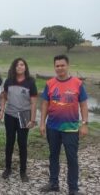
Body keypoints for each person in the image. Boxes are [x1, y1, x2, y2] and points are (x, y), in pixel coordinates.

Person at [39, 55, 89, 195]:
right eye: (57, 66)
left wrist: (84, 124)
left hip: (71, 127)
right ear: (54, 67)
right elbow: (44, 104)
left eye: (62, 65)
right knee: (53, 155)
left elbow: (84, 105)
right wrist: (42, 123)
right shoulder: (49, 83)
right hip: (52, 127)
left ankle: (73, 188)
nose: (60, 68)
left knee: (72, 158)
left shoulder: (77, 83)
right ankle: (53, 183)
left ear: (68, 66)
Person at [1, 58, 37, 182]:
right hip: (10, 115)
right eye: (17, 65)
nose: (19, 67)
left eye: (22, 65)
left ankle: (23, 171)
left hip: (24, 116)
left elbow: (33, 102)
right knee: (9, 143)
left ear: (25, 67)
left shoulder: (30, 82)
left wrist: (32, 119)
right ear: (14, 67)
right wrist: (2, 109)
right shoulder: (9, 81)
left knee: (22, 144)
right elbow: (4, 96)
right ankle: (8, 168)